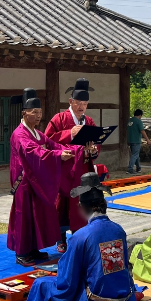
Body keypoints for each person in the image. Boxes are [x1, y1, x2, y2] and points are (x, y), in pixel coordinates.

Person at [20, 172, 137, 301]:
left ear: (81, 207)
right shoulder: (118, 229)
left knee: (41, 284)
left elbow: (67, 279)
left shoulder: (80, 236)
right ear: (104, 204)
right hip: (124, 298)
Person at [7, 88, 85, 266]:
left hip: (36, 180)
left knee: (37, 215)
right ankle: (21, 252)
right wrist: (58, 156)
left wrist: (73, 150)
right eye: (34, 112)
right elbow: (33, 152)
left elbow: (52, 144)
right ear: (24, 113)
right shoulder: (19, 134)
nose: (38, 116)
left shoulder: (36, 132)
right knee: (24, 216)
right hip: (24, 182)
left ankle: (33, 249)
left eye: (40, 112)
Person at [44, 78, 99, 252]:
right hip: (64, 170)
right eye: (78, 103)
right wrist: (69, 133)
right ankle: (60, 239)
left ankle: (80, 236)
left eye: (85, 103)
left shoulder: (88, 121)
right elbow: (47, 141)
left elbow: (97, 143)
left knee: (81, 205)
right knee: (61, 205)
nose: (82, 107)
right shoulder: (59, 119)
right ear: (71, 102)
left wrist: (93, 150)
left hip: (82, 169)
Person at [127, 108, 150, 174]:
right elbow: (142, 131)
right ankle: (130, 168)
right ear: (140, 115)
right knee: (134, 154)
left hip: (130, 139)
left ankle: (138, 168)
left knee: (136, 154)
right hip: (136, 140)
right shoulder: (138, 121)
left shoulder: (130, 120)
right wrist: (147, 140)